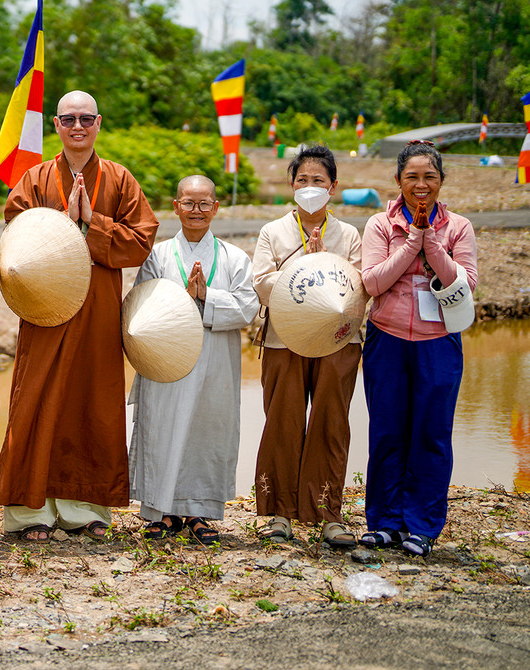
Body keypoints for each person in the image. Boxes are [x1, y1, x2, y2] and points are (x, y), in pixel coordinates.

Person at [0, 90, 158, 541]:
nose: (77, 126)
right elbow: (17, 230)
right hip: (45, 306)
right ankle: (30, 511)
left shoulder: (120, 179)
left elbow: (141, 240)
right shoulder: (36, 178)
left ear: (98, 123)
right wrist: (64, 228)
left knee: (93, 401)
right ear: (56, 125)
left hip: (98, 307)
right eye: (68, 119)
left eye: (86, 118)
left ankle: (84, 508)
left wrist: (92, 224)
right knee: (36, 398)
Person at [359, 141, 478, 557]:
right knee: (388, 431)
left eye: (430, 176)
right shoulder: (379, 224)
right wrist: (411, 241)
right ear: (398, 181)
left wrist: (431, 244)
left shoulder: (459, 227)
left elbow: (465, 285)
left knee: (432, 434)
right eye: (412, 176)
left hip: (439, 341)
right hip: (386, 338)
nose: (421, 184)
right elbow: (372, 283)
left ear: (442, 181)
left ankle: (423, 526)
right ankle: (386, 523)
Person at [128, 176, 258, 542]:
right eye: (189, 203)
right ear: (175, 206)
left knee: (207, 432)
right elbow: (143, 301)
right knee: (162, 428)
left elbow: (247, 306)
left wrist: (207, 298)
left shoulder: (235, 258)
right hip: (166, 357)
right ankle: (160, 511)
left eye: (204, 204)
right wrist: (184, 302)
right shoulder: (159, 255)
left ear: (216, 207)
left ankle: (200, 511)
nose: (196, 211)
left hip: (216, 361)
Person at [251, 144, 363, 547]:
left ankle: (327, 513)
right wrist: (306, 267)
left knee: (331, 422)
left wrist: (326, 262)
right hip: (285, 338)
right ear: (291, 185)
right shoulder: (274, 232)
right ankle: (279, 512)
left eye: (318, 181)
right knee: (283, 419)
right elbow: (261, 282)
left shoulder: (348, 234)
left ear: (333, 187)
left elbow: (359, 286)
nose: (310, 187)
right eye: (303, 180)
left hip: (338, 340)